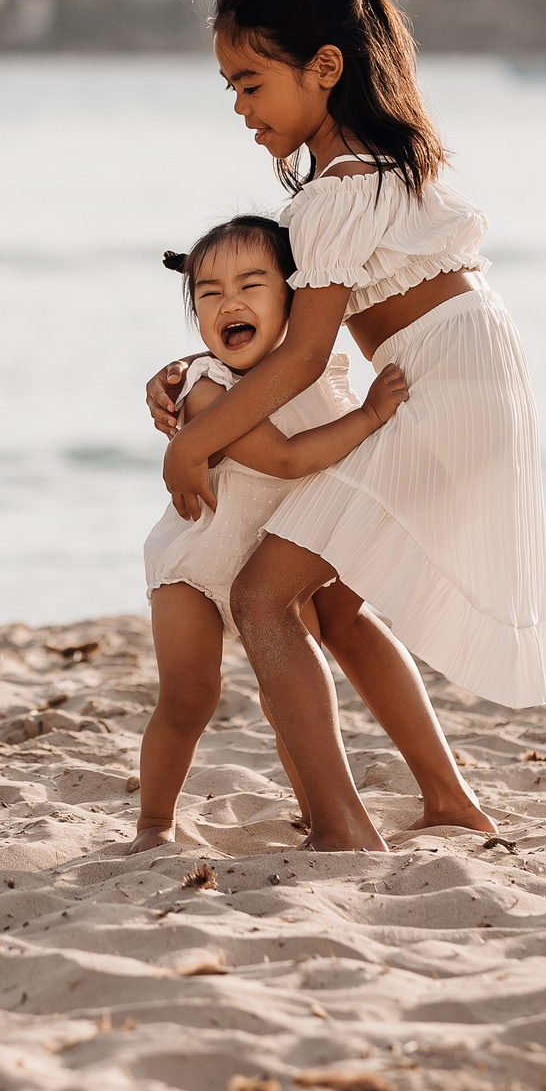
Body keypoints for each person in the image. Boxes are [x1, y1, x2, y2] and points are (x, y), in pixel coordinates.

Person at [147, 0, 546, 852]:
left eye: (251, 81)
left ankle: (341, 827)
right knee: (332, 605)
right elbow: (283, 338)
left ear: (324, 68)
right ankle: (448, 800)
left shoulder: (334, 193)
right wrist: (192, 376)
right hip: (469, 370)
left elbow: (298, 359)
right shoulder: (378, 169)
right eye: (229, 85)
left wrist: (194, 445)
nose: (239, 107)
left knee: (263, 598)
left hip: (437, 386)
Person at [133, 213, 409, 853]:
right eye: (209, 294)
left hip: (273, 570)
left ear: (293, 296)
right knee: (188, 697)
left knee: (291, 700)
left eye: (251, 285)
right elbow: (285, 458)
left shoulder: (315, 373)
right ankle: (153, 821)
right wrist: (372, 415)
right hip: (197, 567)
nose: (229, 302)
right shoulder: (206, 390)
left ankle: (321, 814)